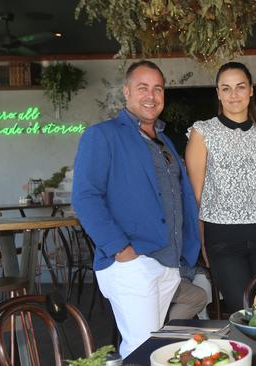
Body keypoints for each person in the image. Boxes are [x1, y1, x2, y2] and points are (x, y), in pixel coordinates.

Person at [72, 60, 200, 357]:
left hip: (168, 264)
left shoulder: (164, 140)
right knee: (141, 349)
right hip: (132, 262)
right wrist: (122, 251)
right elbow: (86, 197)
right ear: (126, 92)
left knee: (149, 351)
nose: (151, 95)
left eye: (157, 88)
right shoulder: (102, 135)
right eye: (143, 87)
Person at [185, 61, 256, 314]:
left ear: (251, 90)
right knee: (245, 312)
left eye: (240, 87)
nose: (233, 95)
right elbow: (196, 194)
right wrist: (202, 240)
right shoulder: (202, 132)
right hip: (222, 239)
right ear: (218, 93)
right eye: (226, 88)